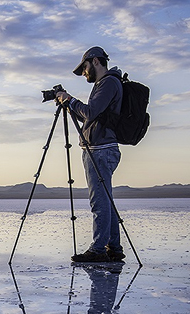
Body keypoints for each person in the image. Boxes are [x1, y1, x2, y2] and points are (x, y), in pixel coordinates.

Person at [56, 46, 125, 263]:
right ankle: (113, 247)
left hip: (100, 151)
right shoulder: (104, 84)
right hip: (99, 149)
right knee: (106, 199)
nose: (84, 73)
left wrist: (70, 100)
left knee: (99, 202)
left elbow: (90, 112)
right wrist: (69, 105)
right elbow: (90, 117)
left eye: (84, 68)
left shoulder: (108, 83)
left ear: (95, 61)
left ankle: (98, 250)